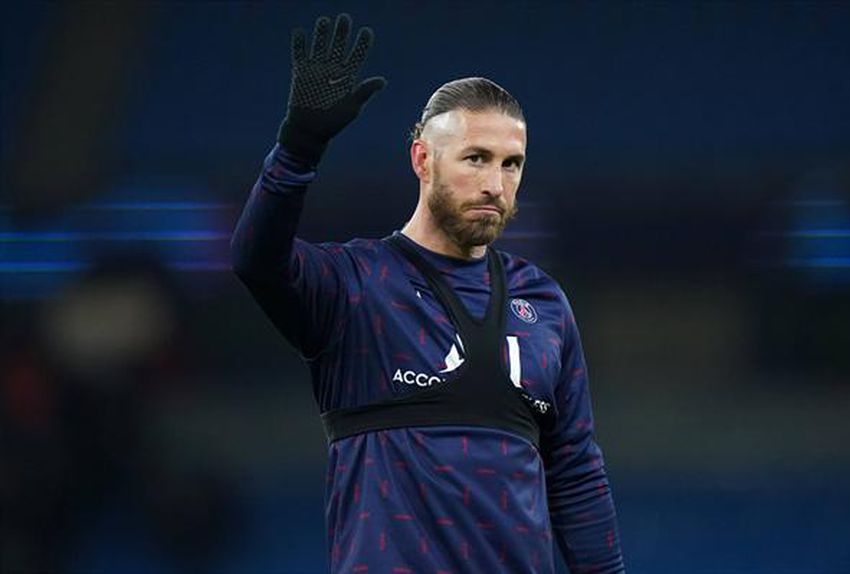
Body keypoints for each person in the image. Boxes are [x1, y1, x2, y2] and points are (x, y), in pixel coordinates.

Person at [231, 13, 625, 573]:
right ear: (422, 159)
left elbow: (576, 472)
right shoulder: (354, 283)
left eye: (511, 164)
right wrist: (296, 153)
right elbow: (255, 260)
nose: (495, 184)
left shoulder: (543, 303)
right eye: (476, 158)